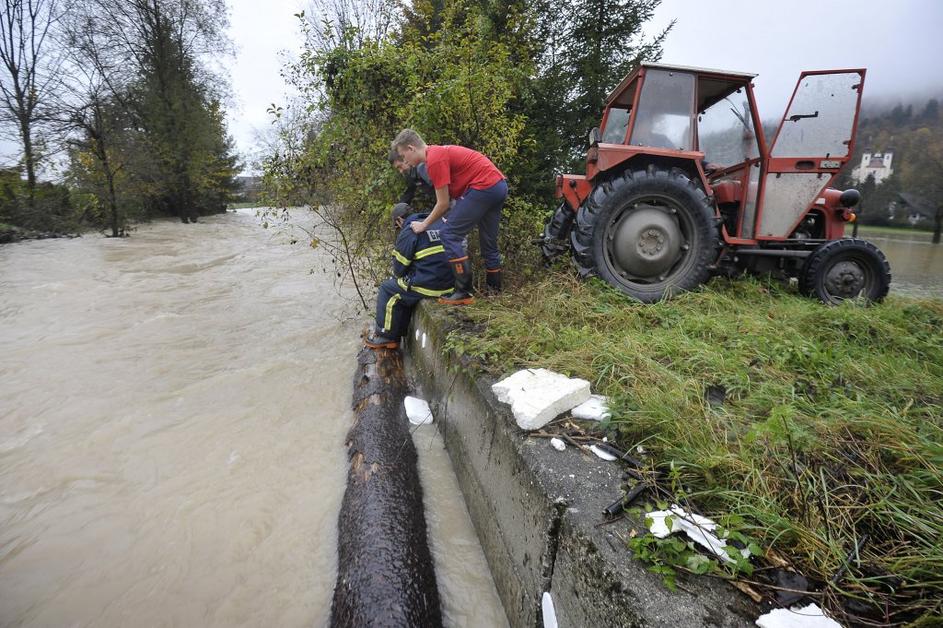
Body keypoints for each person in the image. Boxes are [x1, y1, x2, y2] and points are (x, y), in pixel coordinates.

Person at [391, 129, 507, 305]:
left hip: (483, 187)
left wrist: (424, 225)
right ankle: (495, 293)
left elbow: (443, 203)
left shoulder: (434, 160)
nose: (404, 161)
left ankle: (463, 291)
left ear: (411, 148)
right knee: (488, 244)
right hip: (498, 186)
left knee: (448, 235)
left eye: (403, 155)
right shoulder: (437, 153)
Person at [364, 203, 454, 350]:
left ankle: (386, 336)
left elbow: (399, 269)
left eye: (397, 226)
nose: (398, 229)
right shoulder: (437, 222)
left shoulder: (409, 231)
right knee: (403, 287)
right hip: (450, 285)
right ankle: (400, 332)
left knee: (387, 289)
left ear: (399, 220)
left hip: (430, 286)